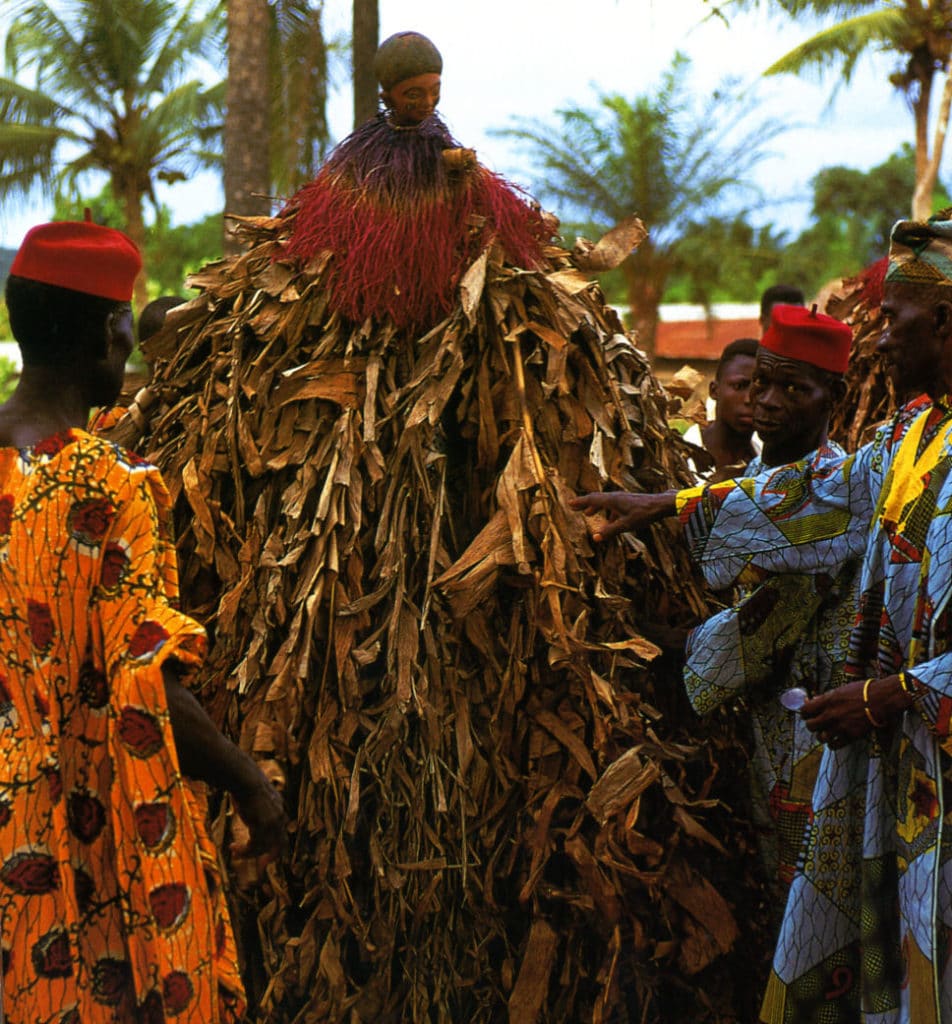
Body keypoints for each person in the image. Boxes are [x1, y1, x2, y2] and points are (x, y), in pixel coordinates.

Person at [570, 211, 952, 1021]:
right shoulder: (916, 434)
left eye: (895, 322)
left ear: (946, 322)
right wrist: (663, 503)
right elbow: (821, 500)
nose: (882, 342)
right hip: (900, 770)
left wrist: (891, 695)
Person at [0, 219, 286, 1023]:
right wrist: (249, 783)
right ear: (109, 333)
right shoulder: (109, 485)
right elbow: (144, 686)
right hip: (68, 835)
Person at [681, 305, 855, 905]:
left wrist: (664, 647)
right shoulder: (758, 473)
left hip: (814, 733)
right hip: (768, 730)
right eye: (761, 383)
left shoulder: (832, 490)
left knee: (807, 906)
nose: (768, 401)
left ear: (834, 394)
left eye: (794, 388)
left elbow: (751, 636)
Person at [682, 335, 760, 481]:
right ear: (714, 391)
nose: (749, 399)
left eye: (759, 390)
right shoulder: (681, 460)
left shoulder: (769, 466)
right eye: (739, 386)